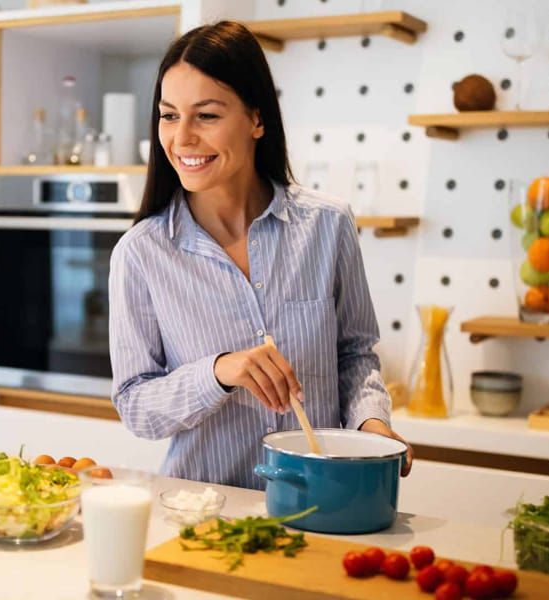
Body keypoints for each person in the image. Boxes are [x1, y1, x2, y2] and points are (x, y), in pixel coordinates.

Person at [108, 21, 413, 490]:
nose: (182, 138)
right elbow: (136, 407)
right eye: (169, 115)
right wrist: (218, 371)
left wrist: (369, 425)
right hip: (206, 513)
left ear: (256, 118)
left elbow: (355, 356)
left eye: (205, 115)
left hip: (324, 502)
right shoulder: (142, 253)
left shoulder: (328, 226)